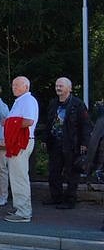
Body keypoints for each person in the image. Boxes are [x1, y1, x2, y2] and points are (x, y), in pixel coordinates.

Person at [41, 77, 90, 210]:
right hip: (55, 143)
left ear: (69, 88)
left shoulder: (77, 104)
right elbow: (48, 123)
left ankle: (70, 200)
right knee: (54, 171)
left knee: (72, 173)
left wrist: (84, 143)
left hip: (71, 144)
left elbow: (85, 125)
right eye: (57, 85)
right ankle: (56, 197)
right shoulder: (53, 103)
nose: (58, 88)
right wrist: (45, 139)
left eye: (61, 86)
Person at [3, 76, 39, 223]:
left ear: (26, 87)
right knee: (17, 177)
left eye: (18, 85)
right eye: (13, 85)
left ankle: (24, 212)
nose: (14, 87)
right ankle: (20, 207)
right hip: (18, 142)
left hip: (21, 142)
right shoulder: (21, 101)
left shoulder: (28, 100)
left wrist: (10, 124)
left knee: (19, 177)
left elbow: (29, 120)